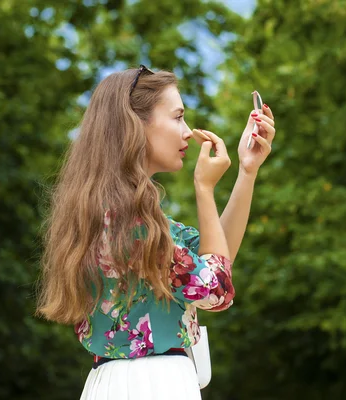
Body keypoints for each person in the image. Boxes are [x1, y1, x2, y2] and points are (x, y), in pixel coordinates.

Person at [36, 65, 275, 399]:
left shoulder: (113, 213)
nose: (188, 132)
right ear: (136, 125)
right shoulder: (131, 222)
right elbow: (216, 289)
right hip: (154, 382)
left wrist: (247, 173)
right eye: (177, 117)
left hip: (114, 383)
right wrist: (203, 190)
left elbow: (215, 255)